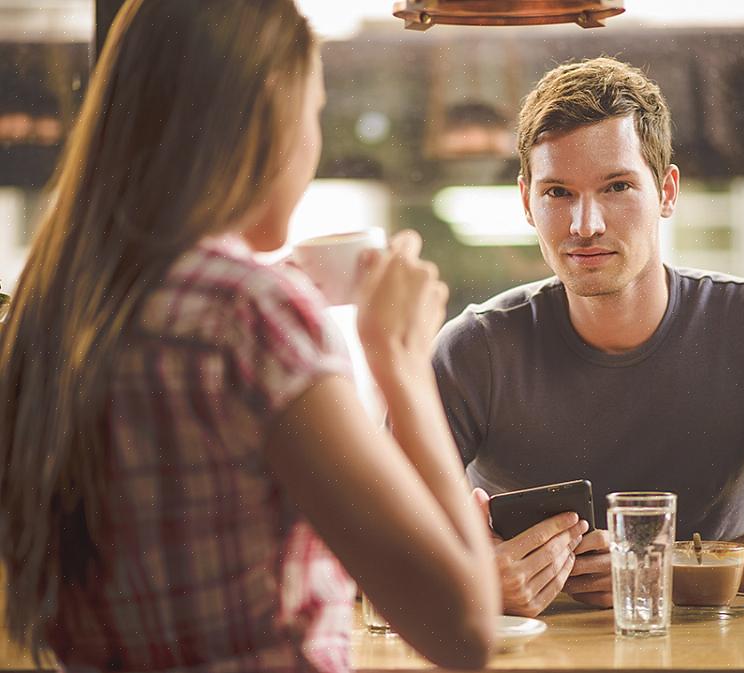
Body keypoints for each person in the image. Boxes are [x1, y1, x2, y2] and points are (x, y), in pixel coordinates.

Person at [0, 1, 499, 671]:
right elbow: (463, 629)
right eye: (315, 111)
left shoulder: (50, 305)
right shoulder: (250, 314)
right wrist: (401, 359)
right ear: (269, 109)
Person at [432, 56, 744, 618]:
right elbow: (367, 535)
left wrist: (649, 566)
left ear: (666, 192)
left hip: (715, 655)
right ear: (526, 202)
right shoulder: (473, 349)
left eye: (617, 186)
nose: (585, 224)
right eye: (557, 193)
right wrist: (470, 575)